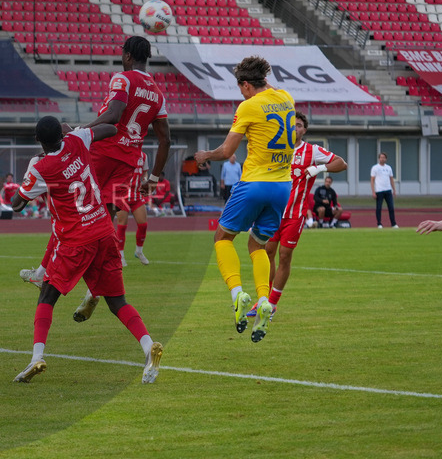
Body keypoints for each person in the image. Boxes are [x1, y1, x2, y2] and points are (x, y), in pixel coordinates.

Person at [10, 116, 162, 384]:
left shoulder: (41, 167)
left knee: (46, 295)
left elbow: (16, 204)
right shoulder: (77, 139)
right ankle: (148, 346)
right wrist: (78, 129)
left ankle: (36, 357)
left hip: (76, 240)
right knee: (117, 302)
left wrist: (32, 172)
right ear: (62, 132)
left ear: (38, 140)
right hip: (104, 231)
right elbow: (111, 128)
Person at [194, 55, 294, 343]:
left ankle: (238, 295)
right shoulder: (286, 97)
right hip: (282, 186)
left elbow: (226, 151)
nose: (240, 93)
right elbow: (268, 87)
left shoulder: (248, 106)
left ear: (247, 85)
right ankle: (264, 300)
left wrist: (205, 156)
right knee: (257, 244)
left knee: (223, 238)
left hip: (254, 183)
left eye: (241, 87)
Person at [72, 35, 170, 323]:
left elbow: (113, 115)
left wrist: (81, 131)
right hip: (128, 162)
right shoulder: (158, 93)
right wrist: (153, 177)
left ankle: (53, 272)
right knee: (104, 221)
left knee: (80, 216)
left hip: (103, 154)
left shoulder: (123, 79)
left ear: (128, 56)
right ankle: (98, 287)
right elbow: (165, 139)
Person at [260, 112, 346, 321]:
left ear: (304, 130)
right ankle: (264, 298)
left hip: (295, 215)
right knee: (267, 252)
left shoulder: (312, 150)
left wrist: (319, 167)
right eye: (292, 125)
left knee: (284, 256)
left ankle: (271, 304)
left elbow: (341, 163)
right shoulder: (276, 148)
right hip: (272, 212)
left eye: (298, 125)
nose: (294, 128)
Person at [115, 152, 151, 267]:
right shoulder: (121, 152)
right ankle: (121, 255)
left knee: (143, 225)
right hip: (122, 195)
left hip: (136, 195)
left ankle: (139, 251)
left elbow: (145, 174)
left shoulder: (143, 156)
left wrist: (145, 181)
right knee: (122, 225)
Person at [371, 152, 397, 228]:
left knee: (391, 207)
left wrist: (394, 189)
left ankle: (393, 223)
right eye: (381, 157)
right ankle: (379, 223)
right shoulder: (375, 168)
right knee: (379, 208)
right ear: (379, 158)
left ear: (386, 159)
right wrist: (373, 191)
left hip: (388, 190)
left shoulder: (388, 168)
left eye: (384, 157)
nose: (382, 159)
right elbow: (372, 180)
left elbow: (391, 179)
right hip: (379, 190)